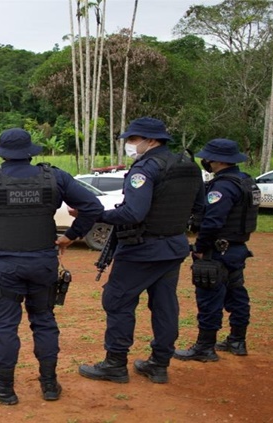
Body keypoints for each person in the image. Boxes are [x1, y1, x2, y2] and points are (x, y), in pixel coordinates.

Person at [0, 128, 104, 404]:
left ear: (1, 153)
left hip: (6, 266)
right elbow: (92, 206)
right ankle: (49, 385)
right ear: (30, 152)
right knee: (45, 322)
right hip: (44, 263)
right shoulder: (55, 177)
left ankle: (4, 389)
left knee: (4, 327)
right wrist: (72, 236)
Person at [78, 117, 203, 385]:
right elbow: (200, 208)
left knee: (118, 300)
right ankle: (159, 364)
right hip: (173, 246)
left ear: (152, 141)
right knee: (165, 305)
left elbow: (133, 212)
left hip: (141, 249)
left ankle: (115, 363)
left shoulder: (144, 169)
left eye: (134, 140)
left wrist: (98, 214)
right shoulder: (188, 166)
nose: (130, 145)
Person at [174, 139, 259, 362]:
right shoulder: (246, 181)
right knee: (236, 294)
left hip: (217, 250)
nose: (206, 161)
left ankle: (205, 347)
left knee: (209, 298)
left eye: (209, 158)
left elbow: (212, 222)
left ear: (219, 160)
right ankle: (237, 340)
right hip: (237, 248)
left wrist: (201, 248)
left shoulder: (222, 186)